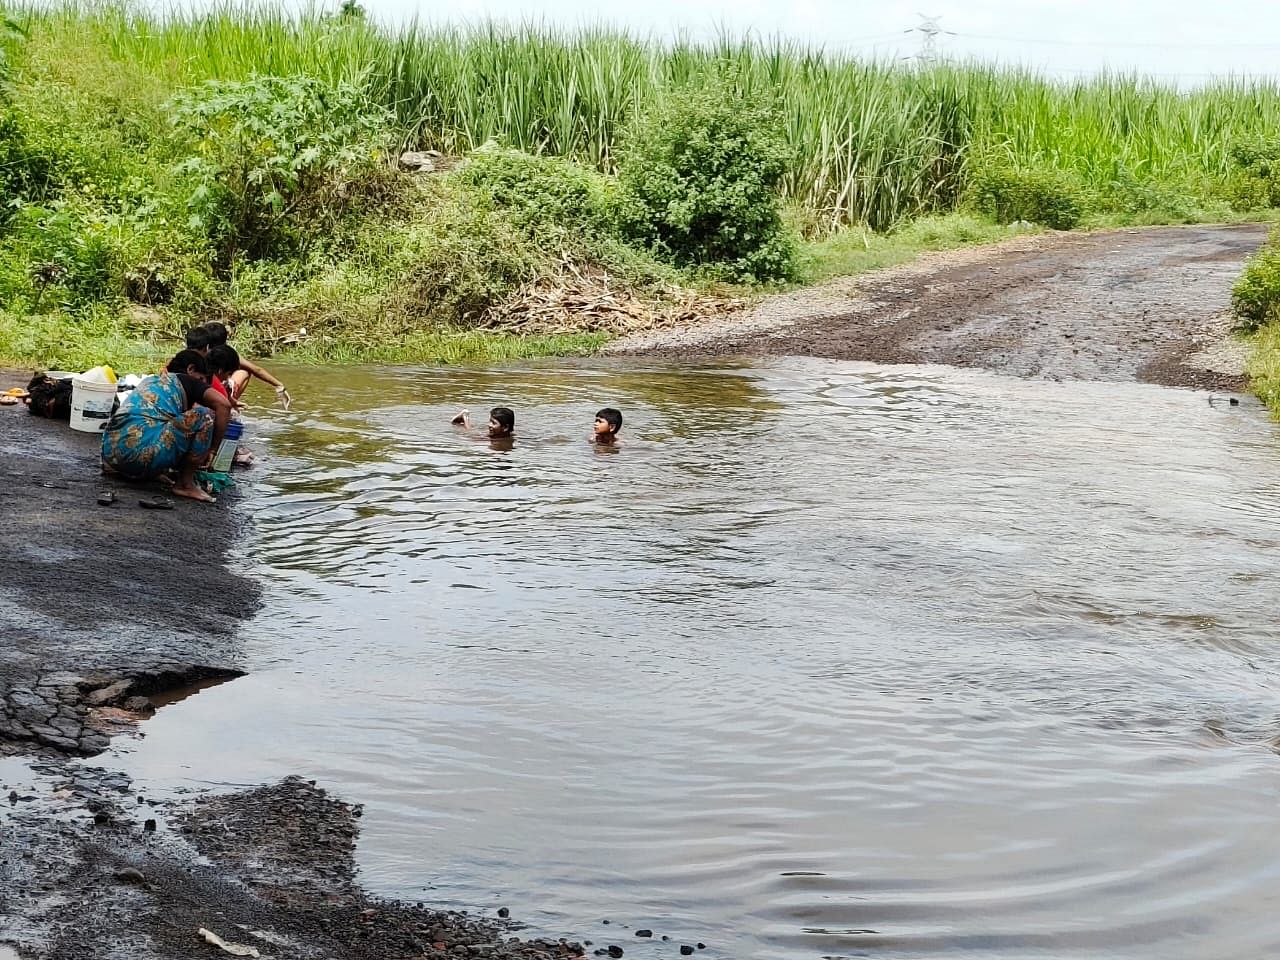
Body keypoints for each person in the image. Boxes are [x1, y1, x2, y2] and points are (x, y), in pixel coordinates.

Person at [101, 349, 231, 504]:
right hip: (138, 456)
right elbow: (224, 405)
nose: (202, 384)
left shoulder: (151, 381)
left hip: (111, 456)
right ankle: (185, 484)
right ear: (190, 370)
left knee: (163, 424)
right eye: (202, 379)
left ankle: (148, 471)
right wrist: (212, 450)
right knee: (205, 415)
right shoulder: (185, 380)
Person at [202, 321, 291, 410]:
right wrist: (279, 385)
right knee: (245, 371)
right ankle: (231, 405)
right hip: (220, 394)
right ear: (224, 340)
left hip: (202, 392)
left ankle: (230, 403)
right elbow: (256, 370)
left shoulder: (198, 353)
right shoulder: (227, 354)